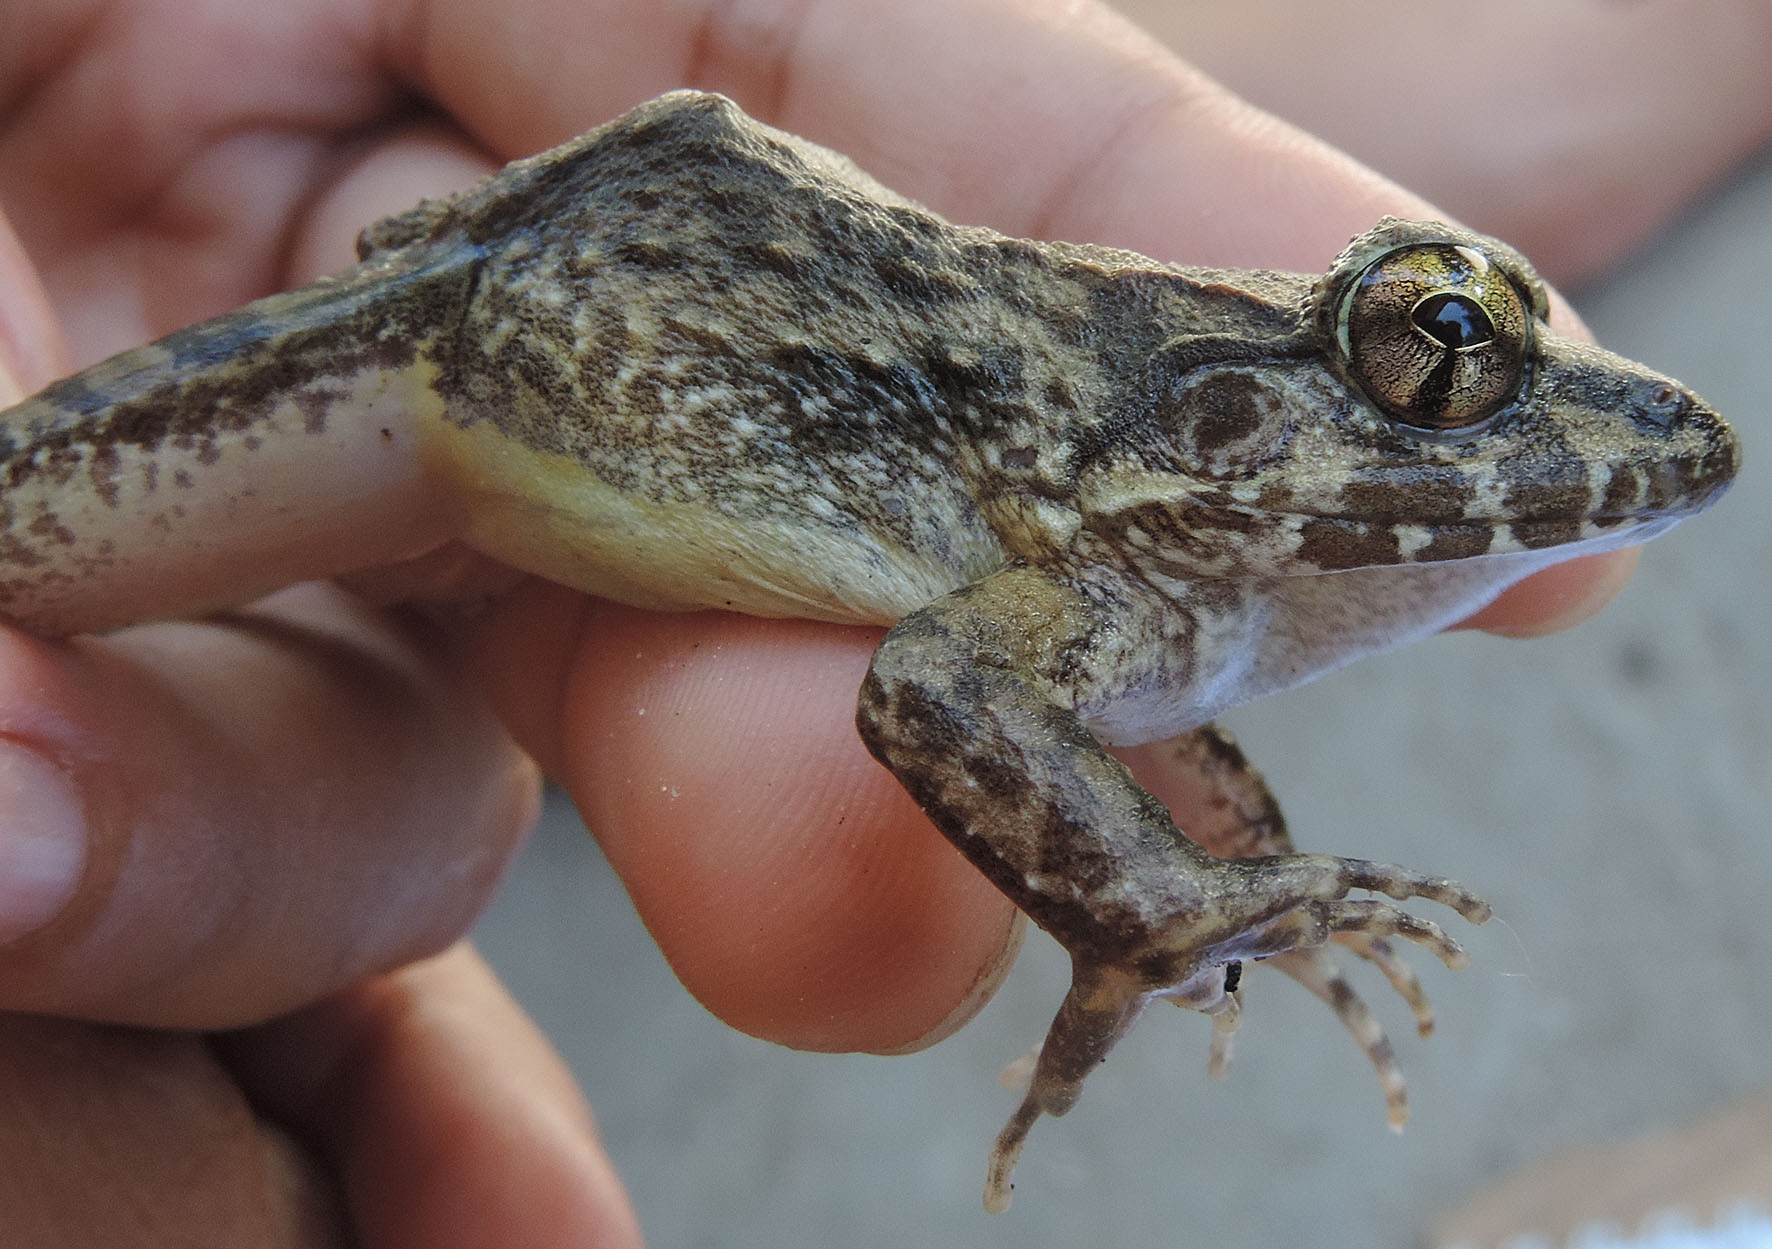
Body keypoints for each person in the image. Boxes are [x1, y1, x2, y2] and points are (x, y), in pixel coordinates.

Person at [0, 0, 1761, 1242]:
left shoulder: (1129, 604)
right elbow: (936, 690)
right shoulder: (1083, 570)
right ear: (1229, 408)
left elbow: (1124, 744)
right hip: (486, 322)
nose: (1513, 427)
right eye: (1440, 358)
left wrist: (1207, 895)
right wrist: (1157, 902)